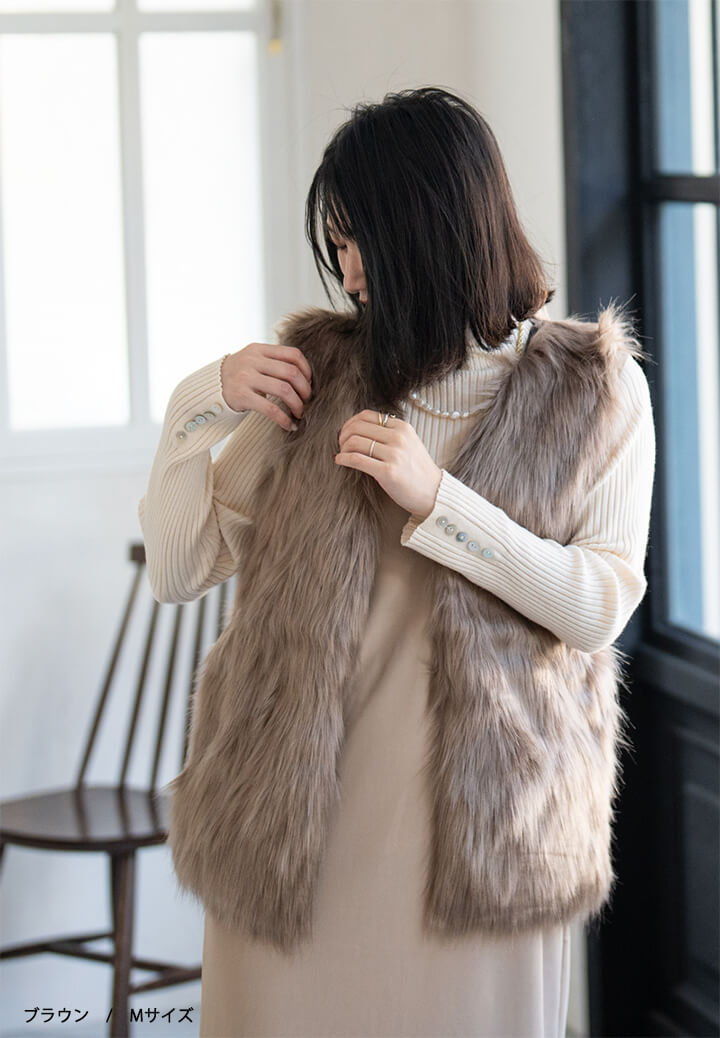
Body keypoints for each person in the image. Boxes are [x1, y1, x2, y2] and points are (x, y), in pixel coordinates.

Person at [139, 86, 656, 1037]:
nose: (346, 271)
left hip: (486, 845)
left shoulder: (596, 386)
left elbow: (597, 609)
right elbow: (178, 573)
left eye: (359, 239)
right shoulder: (320, 371)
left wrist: (439, 501)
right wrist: (193, 407)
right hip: (293, 832)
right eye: (335, 244)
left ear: (433, 227)